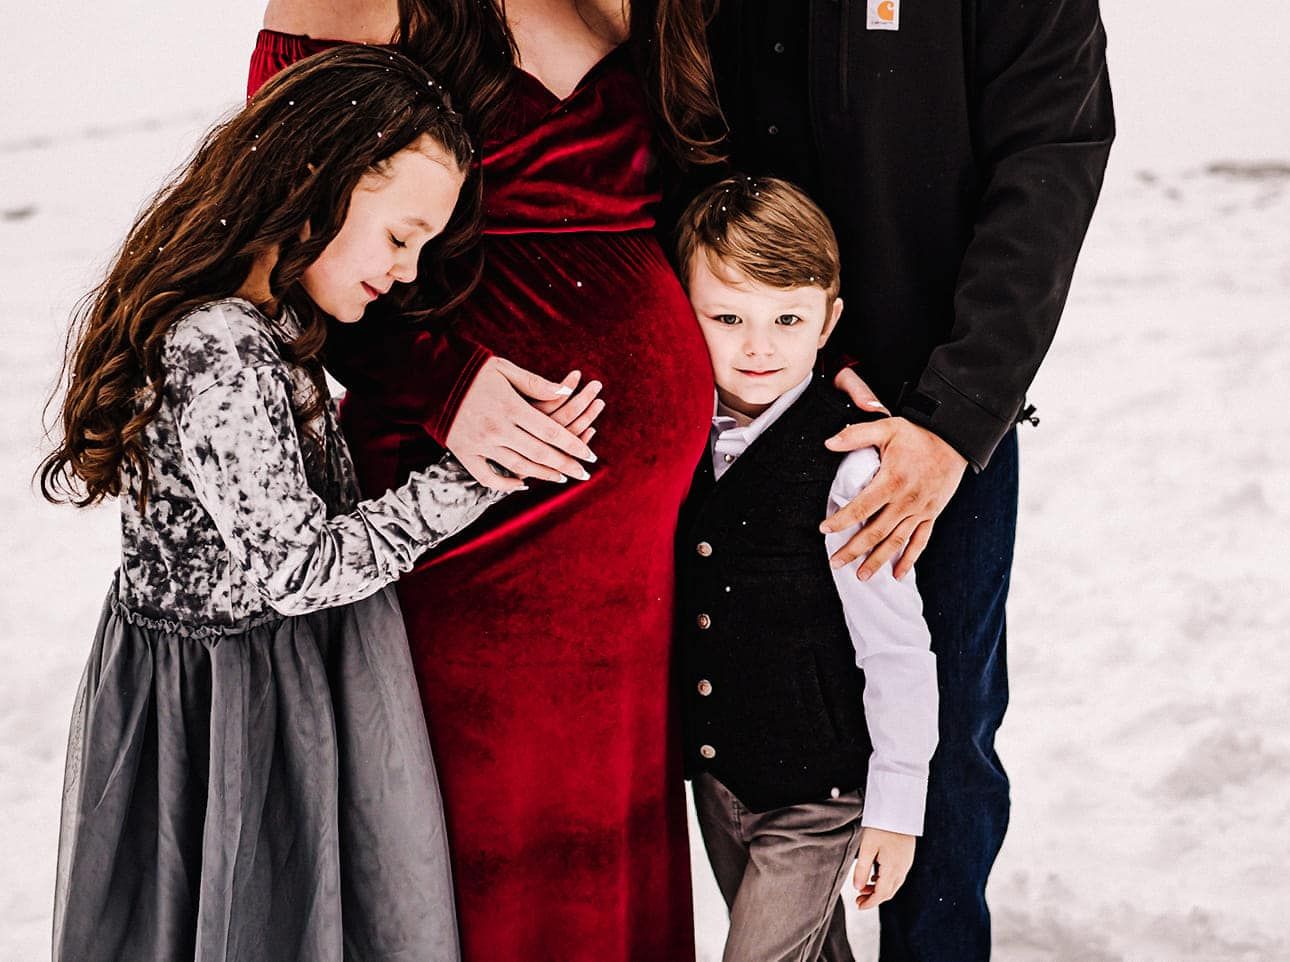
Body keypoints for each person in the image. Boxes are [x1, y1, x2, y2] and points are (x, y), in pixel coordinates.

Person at [247, 1, 726, 957]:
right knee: (467, 828)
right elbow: (284, 232)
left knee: (600, 832)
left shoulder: (650, 10)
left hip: (631, 559)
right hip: (461, 520)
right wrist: (444, 384)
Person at [40, 48, 516, 961]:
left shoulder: (271, 330)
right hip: (236, 711)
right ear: (317, 178)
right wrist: (469, 482)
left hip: (277, 684)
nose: (408, 271)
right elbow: (295, 568)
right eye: (399, 235)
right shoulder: (219, 345)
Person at [700, 4, 1117, 960]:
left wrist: (953, 418)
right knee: (751, 738)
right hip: (731, 413)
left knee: (942, 747)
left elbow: (1051, 159)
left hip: (920, 428)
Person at [673, 175, 940, 962]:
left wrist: (896, 808)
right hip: (720, 786)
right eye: (727, 319)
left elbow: (896, 650)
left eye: (787, 318)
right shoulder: (680, 436)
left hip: (817, 795)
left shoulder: (849, 465)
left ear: (828, 324)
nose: (758, 346)